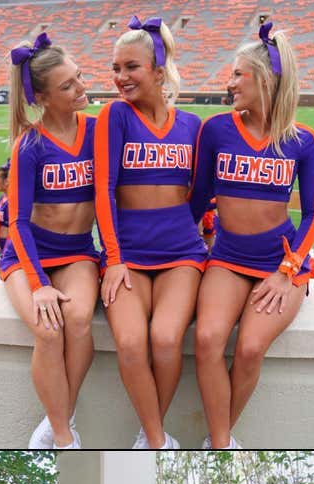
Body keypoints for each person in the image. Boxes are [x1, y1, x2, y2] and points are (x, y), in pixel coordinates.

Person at [189, 23, 314, 450]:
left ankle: (216, 443)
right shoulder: (216, 130)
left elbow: (313, 215)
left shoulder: (302, 140)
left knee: (248, 348)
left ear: (264, 80)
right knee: (207, 339)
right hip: (226, 258)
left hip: (281, 265)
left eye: (237, 75)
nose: (228, 84)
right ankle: (223, 444)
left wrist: (287, 272)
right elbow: (198, 201)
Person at [95, 16, 206, 449]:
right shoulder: (115, 116)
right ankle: (158, 440)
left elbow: (200, 194)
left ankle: (149, 433)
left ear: (158, 71)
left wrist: (188, 227)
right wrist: (114, 257)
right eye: (116, 68)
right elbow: (104, 189)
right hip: (128, 255)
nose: (120, 77)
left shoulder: (192, 125)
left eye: (132, 67)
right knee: (128, 342)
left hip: (182, 253)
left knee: (164, 339)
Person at [0, 33, 100, 450]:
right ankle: (63, 437)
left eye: (78, 78)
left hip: (77, 249)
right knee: (48, 328)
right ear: (42, 97)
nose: (80, 88)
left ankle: (62, 414)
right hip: (28, 252)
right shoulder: (30, 146)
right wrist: (39, 283)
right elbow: (18, 223)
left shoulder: (99, 132)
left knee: (77, 320)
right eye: (67, 86)